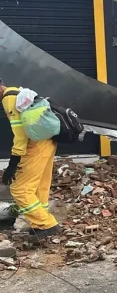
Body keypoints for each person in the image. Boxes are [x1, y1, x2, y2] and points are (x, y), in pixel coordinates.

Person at [0, 78, 60, 240]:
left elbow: (20, 136)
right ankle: (40, 223)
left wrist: (12, 164)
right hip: (47, 142)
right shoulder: (18, 91)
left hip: (34, 146)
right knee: (39, 185)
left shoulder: (8, 99)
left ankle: (46, 224)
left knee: (19, 189)